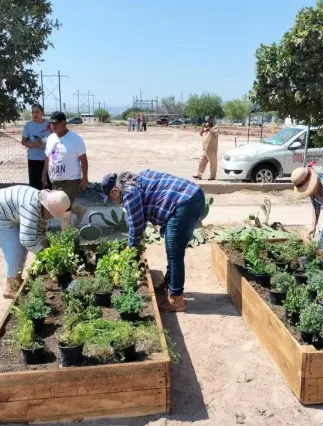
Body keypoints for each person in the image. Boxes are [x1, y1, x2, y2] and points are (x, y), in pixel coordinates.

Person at [101, 170, 206, 312]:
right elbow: (141, 217)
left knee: (174, 252)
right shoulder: (136, 180)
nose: (114, 202)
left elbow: (137, 226)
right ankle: (170, 284)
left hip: (185, 202)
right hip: (192, 195)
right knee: (174, 248)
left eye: (111, 198)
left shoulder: (129, 193)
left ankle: (176, 300)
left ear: (114, 191)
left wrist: (130, 250)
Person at [0, 186, 70, 298]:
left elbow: (39, 233)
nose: (52, 216)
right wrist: (45, 257)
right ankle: (10, 288)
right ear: (48, 208)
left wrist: (48, 248)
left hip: (7, 213)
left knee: (21, 246)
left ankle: (16, 280)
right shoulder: (31, 206)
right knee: (16, 247)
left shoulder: (42, 206)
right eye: (52, 214)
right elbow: (27, 240)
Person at [42, 111, 89, 230]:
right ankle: (79, 210)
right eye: (51, 124)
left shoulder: (75, 139)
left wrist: (85, 178)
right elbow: (47, 157)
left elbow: (83, 159)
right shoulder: (51, 138)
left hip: (71, 179)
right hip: (55, 179)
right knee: (59, 203)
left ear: (64, 123)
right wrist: (44, 173)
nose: (53, 126)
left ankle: (65, 235)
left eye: (56, 123)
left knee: (63, 208)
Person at [22, 104, 52, 190]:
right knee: (35, 186)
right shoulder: (28, 125)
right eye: (33, 112)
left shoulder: (49, 125)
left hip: (48, 159)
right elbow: (23, 141)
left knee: (48, 185)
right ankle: (35, 203)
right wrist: (33, 144)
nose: (35, 114)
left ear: (42, 113)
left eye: (37, 112)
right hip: (33, 159)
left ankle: (49, 203)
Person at [193, 115, 219, 181]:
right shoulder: (206, 128)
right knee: (201, 162)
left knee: (213, 163)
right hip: (205, 150)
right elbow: (201, 134)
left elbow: (213, 133)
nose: (208, 121)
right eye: (207, 120)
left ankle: (212, 176)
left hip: (211, 150)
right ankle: (199, 175)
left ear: (212, 120)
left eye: (209, 120)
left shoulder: (215, 127)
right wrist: (203, 127)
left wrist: (208, 127)